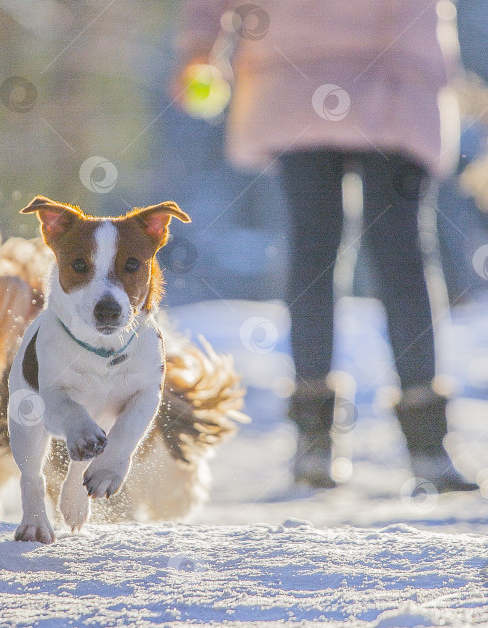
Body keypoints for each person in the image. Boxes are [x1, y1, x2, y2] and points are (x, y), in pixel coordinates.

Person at [174, 0, 479, 491]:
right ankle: (426, 446)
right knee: (400, 255)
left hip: (299, 72)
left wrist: (199, 50)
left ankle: (315, 443)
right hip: (395, 74)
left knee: (314, 250)